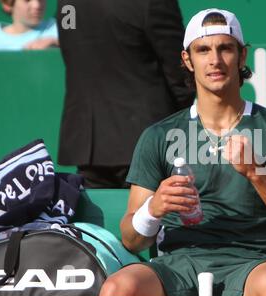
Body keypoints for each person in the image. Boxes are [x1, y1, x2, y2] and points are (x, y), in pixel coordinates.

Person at [99, 8, 266, 296]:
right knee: (118, 289)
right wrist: (154, 208)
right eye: (203, 50)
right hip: (175, 264)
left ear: (242, 56)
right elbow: (131, 239)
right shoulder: (159, 135)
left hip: (251, 263)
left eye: (225, 48)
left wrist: (257, 174)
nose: (215, 60)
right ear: (187, 60)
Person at [56, 0, 195, 188]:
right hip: (148, 135)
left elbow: (72, 49)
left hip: (90, 141)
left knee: (97, 216)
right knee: (151, 215)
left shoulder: (68, 5)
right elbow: (180, 70)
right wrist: (181, 117)